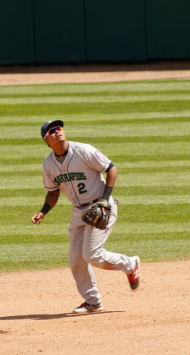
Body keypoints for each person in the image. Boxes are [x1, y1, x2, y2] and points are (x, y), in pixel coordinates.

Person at [31, 120, 141, 314]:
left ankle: (130, 264)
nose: (58, 132)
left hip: (101, 206)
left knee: (92, 255)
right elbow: (53, 192)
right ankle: (93, 301)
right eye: (52, 131)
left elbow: (111, 169)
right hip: (78, 212)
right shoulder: (48, 164)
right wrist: (43, 211)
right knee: (76, 258)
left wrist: (106, 200)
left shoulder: (83, 151)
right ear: (47, 140)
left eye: (59, 128)